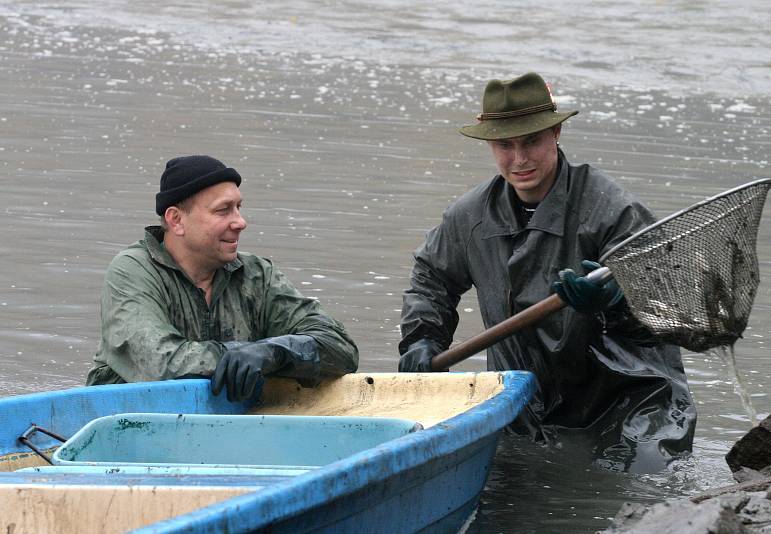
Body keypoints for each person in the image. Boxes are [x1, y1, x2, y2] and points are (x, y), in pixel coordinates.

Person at [398, 72, 696, 472]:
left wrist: (615, 302)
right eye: (505, 145)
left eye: (531, 141)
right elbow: (430, 281)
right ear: (490, 144)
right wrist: (423, 341)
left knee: (636, 487)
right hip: (523, 403)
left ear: (555, 132)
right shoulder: (469, 218)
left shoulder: (612, 211)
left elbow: (671, 312)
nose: (519, 159)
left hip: (630, 400)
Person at [87, 155, 359, 401]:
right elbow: (160, 363)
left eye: (239, 207)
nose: (240, 222)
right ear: (176, 220)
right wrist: (239, 355)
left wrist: (273, 352)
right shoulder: (132, 270)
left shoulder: (257, 275)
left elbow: (340, 348)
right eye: (223, 210)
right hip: (126, 424)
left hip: (226, 429)